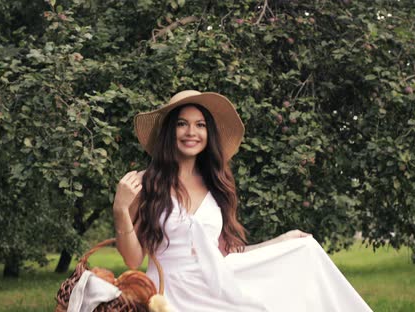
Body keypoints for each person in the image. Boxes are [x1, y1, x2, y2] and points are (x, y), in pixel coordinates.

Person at [112, 90, 372, 311]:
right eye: (182, 123)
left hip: (214, 292)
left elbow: (223, 255)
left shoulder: (217, 185)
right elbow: (133, 260)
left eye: (200, 125)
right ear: (170, 131)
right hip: (169, 297)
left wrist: (280, 241)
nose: (191, 132)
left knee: (303, 262)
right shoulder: (145, 184)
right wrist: (121, 209)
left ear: (208, 133)